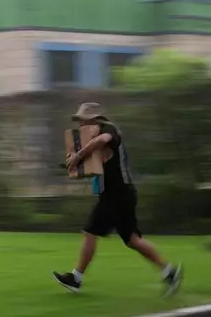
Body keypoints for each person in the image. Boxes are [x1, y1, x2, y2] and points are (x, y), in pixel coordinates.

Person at [52, 102, 183, 297]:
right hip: (120, 194)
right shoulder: (95, 140)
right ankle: (169, 272)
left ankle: (76, 278)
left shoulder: (108, 129)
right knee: (132, 240)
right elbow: (95, 167)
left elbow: (102, 140)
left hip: (118, 194)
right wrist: (72, 165)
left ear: (93, 119)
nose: (80, 125)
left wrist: (78, 156)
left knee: (89, 231)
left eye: (82, 120)